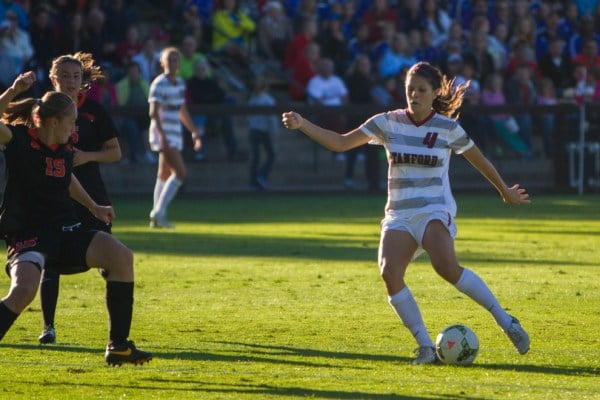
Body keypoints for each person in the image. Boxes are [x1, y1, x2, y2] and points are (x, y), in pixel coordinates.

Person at [281, 61, 531, 365]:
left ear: (434, 92)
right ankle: (426, 346)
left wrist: (504, 190)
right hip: (399, 213)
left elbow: (479, 161)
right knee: (389, 272)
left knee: (447, 268)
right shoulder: (387, 122)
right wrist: (303, 124)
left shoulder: (447, 128)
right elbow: (341, 143)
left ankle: (505, 321)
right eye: (409, 89)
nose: (413, 95)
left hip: (433, 209)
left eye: (421, 90)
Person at [0, 71, 152, 366]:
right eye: (71, 121)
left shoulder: (64, 146)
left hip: (65, 230)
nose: (75, 126)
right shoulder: (17, 139)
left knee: (121, 257)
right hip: (29, 233)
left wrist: (94, 206)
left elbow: (65, 177)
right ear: (54, 122)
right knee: (23, 292)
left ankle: (118, 346)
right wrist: (14, 90)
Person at [36, 52, 124, 345]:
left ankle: (117, 331)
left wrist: (86, 156)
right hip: (55, 195)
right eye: (65, 76)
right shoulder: (41, 111)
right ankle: (48, 327)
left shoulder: (95, 111)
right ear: (53, 79)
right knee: (49, 260)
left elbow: (115, 152)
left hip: (92, 194)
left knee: (111, 260)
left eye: (76, 76)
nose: (71, 81)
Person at [148, 47, 202, 229]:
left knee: (163, 174)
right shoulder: (159, 83)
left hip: (175, 132)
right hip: (163, 134)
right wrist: (162, 136)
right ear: (162, 63)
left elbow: (182, 110)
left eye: (176, 60)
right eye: (169, 59)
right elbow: (153, 112)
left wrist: (193, 131)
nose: (173, 63)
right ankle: (158, 212)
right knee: (181, 173)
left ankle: (155, 218)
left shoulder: (179, 83)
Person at [247, 77, 277, 191]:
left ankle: (255, 181)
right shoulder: (268, 100)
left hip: (253, 130)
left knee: (256, 157)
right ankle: (261, 177)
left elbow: (249, 117)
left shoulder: (252, 99)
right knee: (271, 155)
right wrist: (274, 131)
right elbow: (271, 118)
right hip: (263, 131)